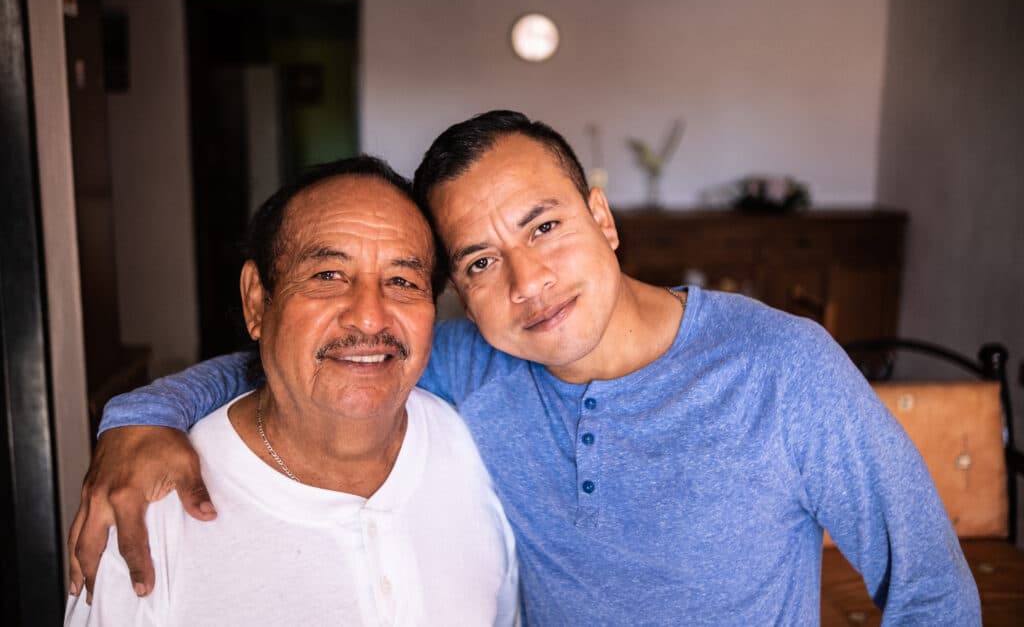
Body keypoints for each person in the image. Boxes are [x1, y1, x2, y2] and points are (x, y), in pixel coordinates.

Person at [70, 111, 980, 624]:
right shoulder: (472, 365)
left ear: (602, 216)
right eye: (477, 261)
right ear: (458, 293)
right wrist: (138, 417)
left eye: (542, 225)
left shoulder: (783, 366)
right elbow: (303, 354)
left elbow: (933, 590)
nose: (527, 280)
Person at [65, 157, 519, 625]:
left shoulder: (476, 451)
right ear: (257, 302)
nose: (369, 316)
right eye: (328, 276)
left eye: (402, 281)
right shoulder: (148, 507)